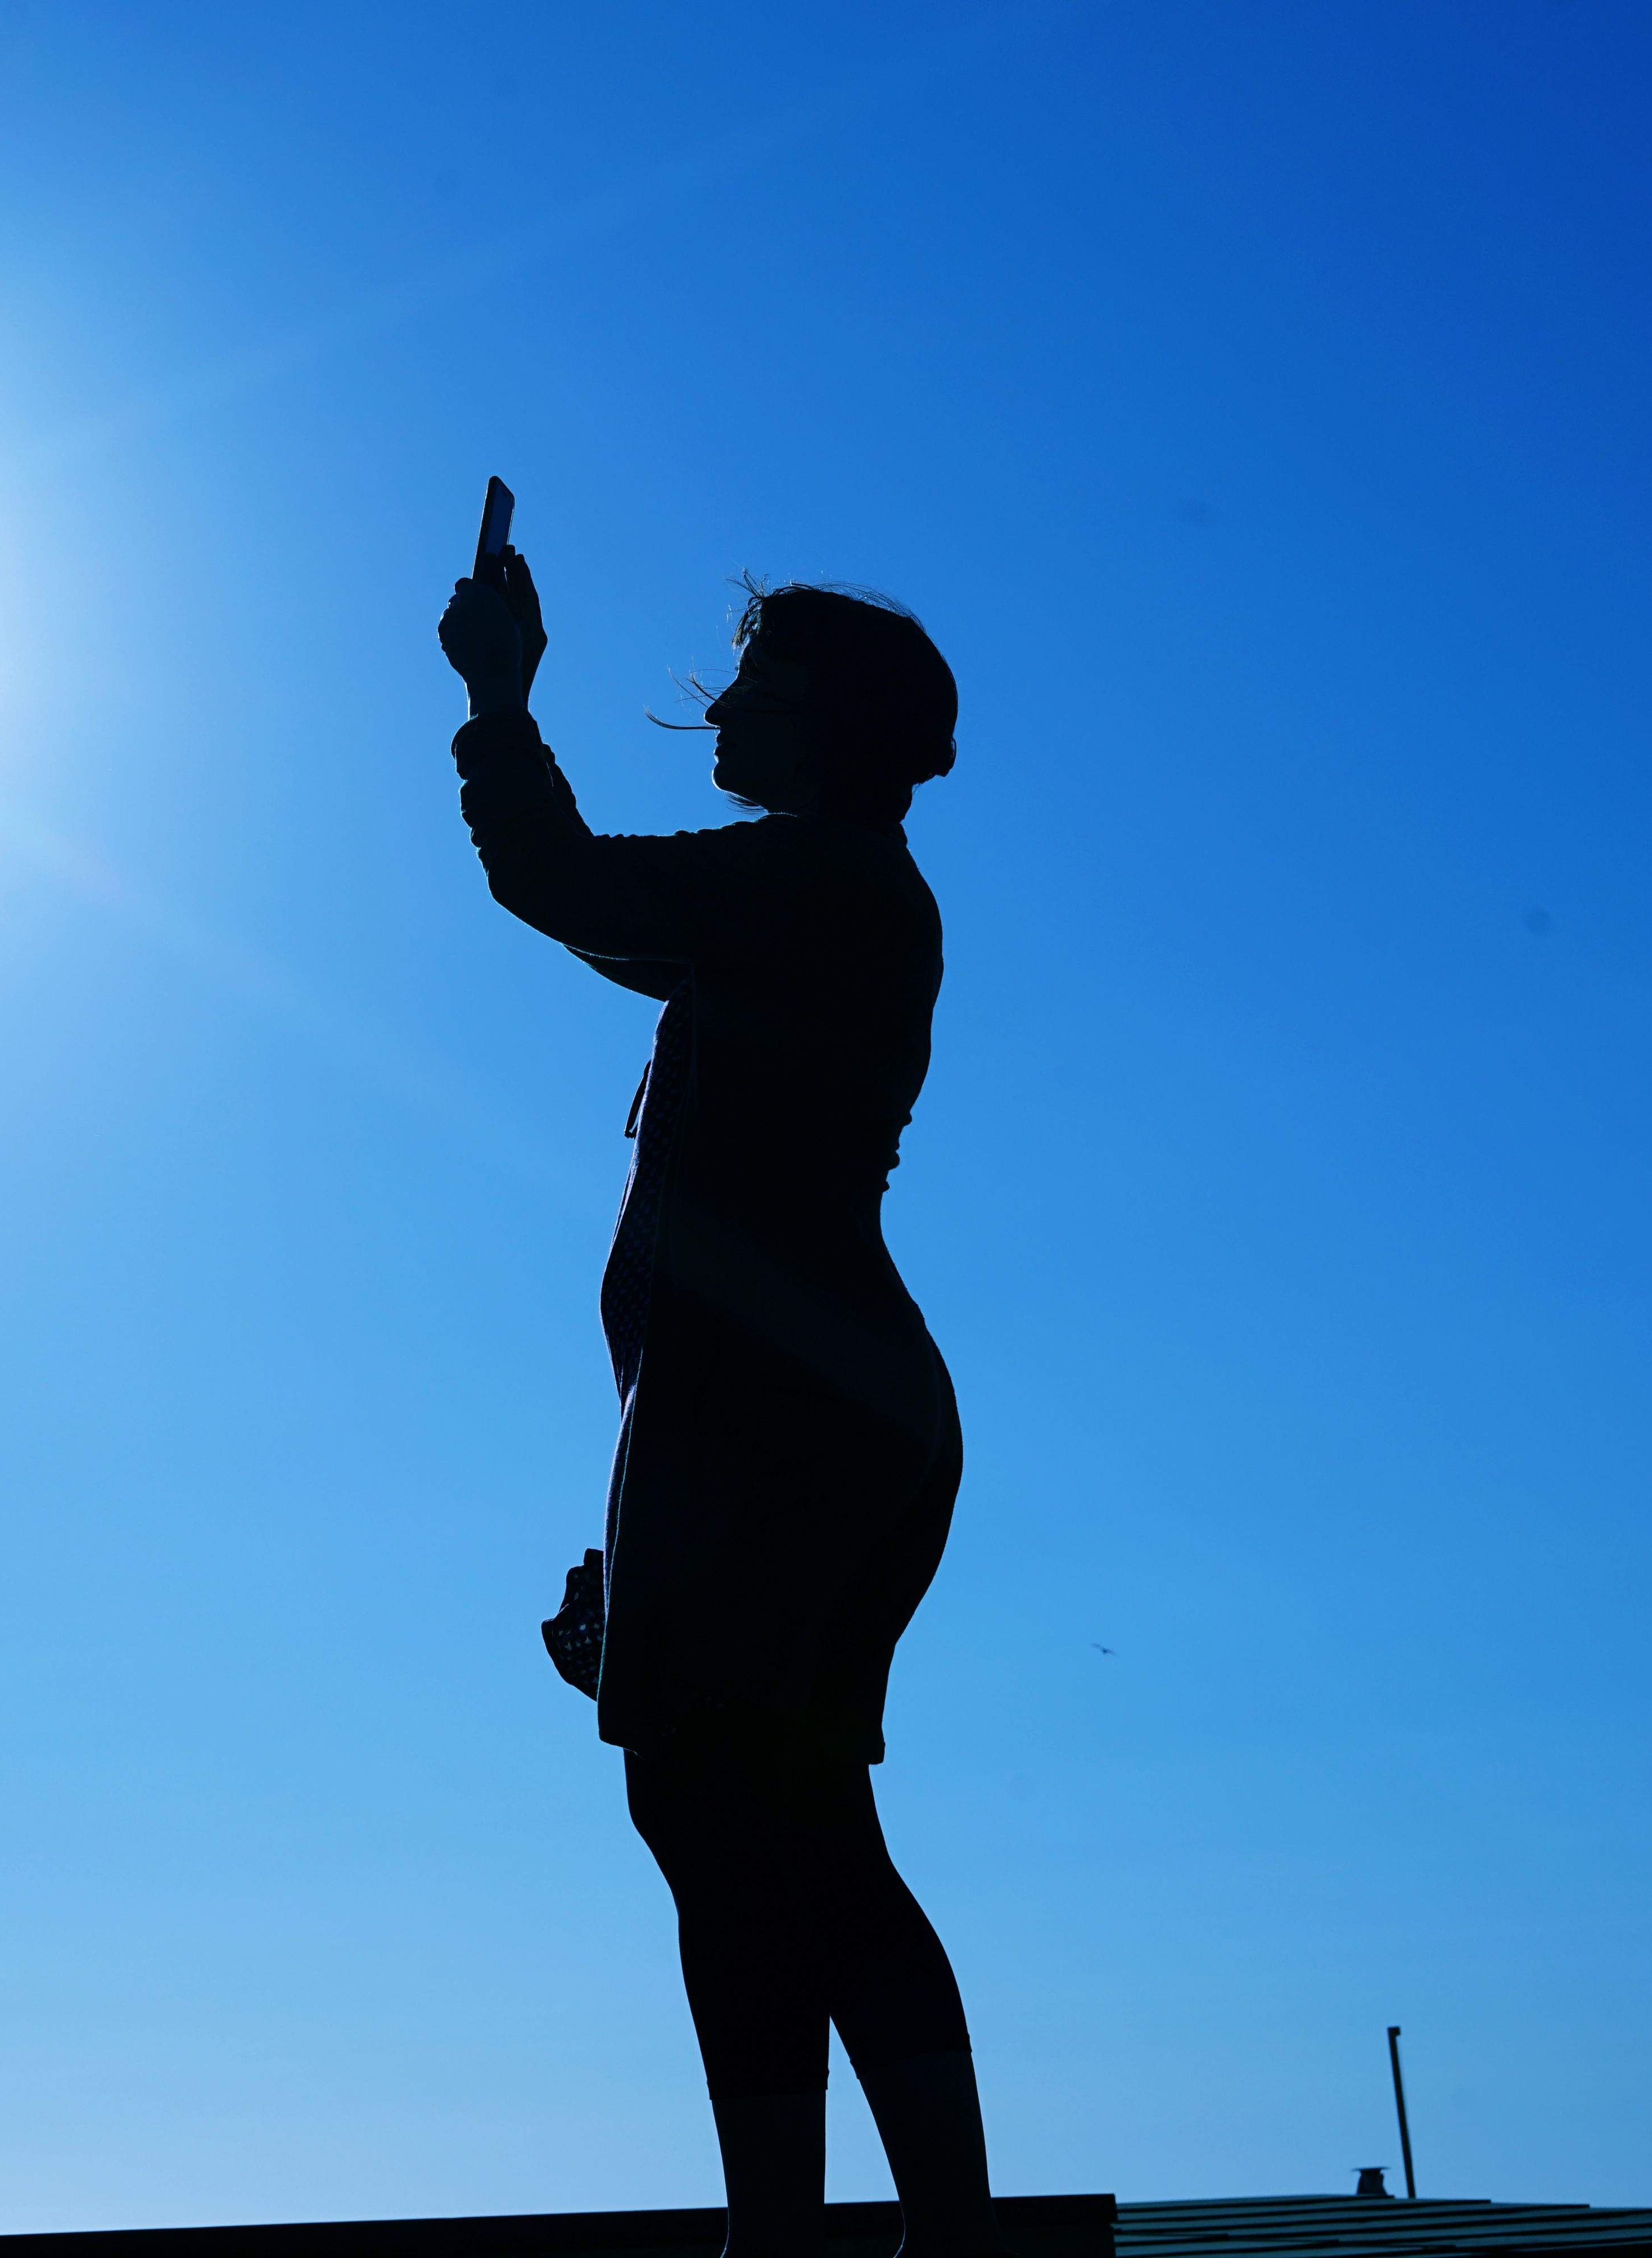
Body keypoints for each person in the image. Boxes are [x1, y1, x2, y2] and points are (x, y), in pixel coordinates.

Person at [437, 552, 998, 2258]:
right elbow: (611, 919)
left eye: (752, 679)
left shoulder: (822, 886)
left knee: (744, 1812)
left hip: (782, 1424)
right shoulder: (817, 897)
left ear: (821, 720)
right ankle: (843, 2236)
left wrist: (500, 701)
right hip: (788, 1420)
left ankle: (839, 2240)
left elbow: (561, 882)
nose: (721, 702)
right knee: (759, 1815)